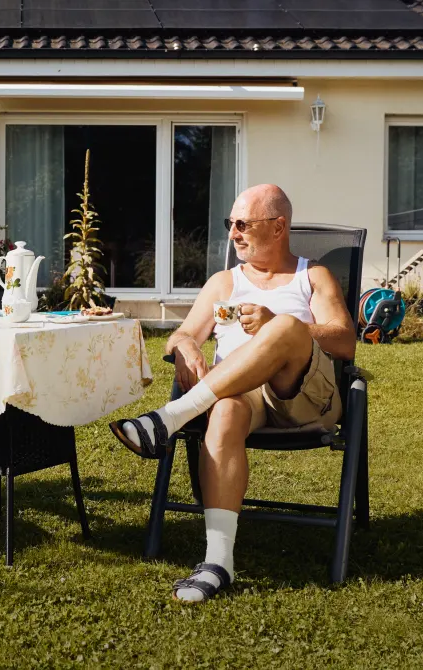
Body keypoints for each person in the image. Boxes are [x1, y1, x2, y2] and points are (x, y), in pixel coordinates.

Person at [109, 185, 355, 602]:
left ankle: (170, 418)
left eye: (244, 224)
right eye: (231, 224)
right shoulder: (224, 282)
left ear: (278, 228)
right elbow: (185, 334)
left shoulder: (312, 276)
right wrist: (186, 347)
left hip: (301, 397)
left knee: (285, 328)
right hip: (241, 397)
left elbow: (345, 341)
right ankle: (218, 563)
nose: (234, 233)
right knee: (222, 413)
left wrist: (279, 321)